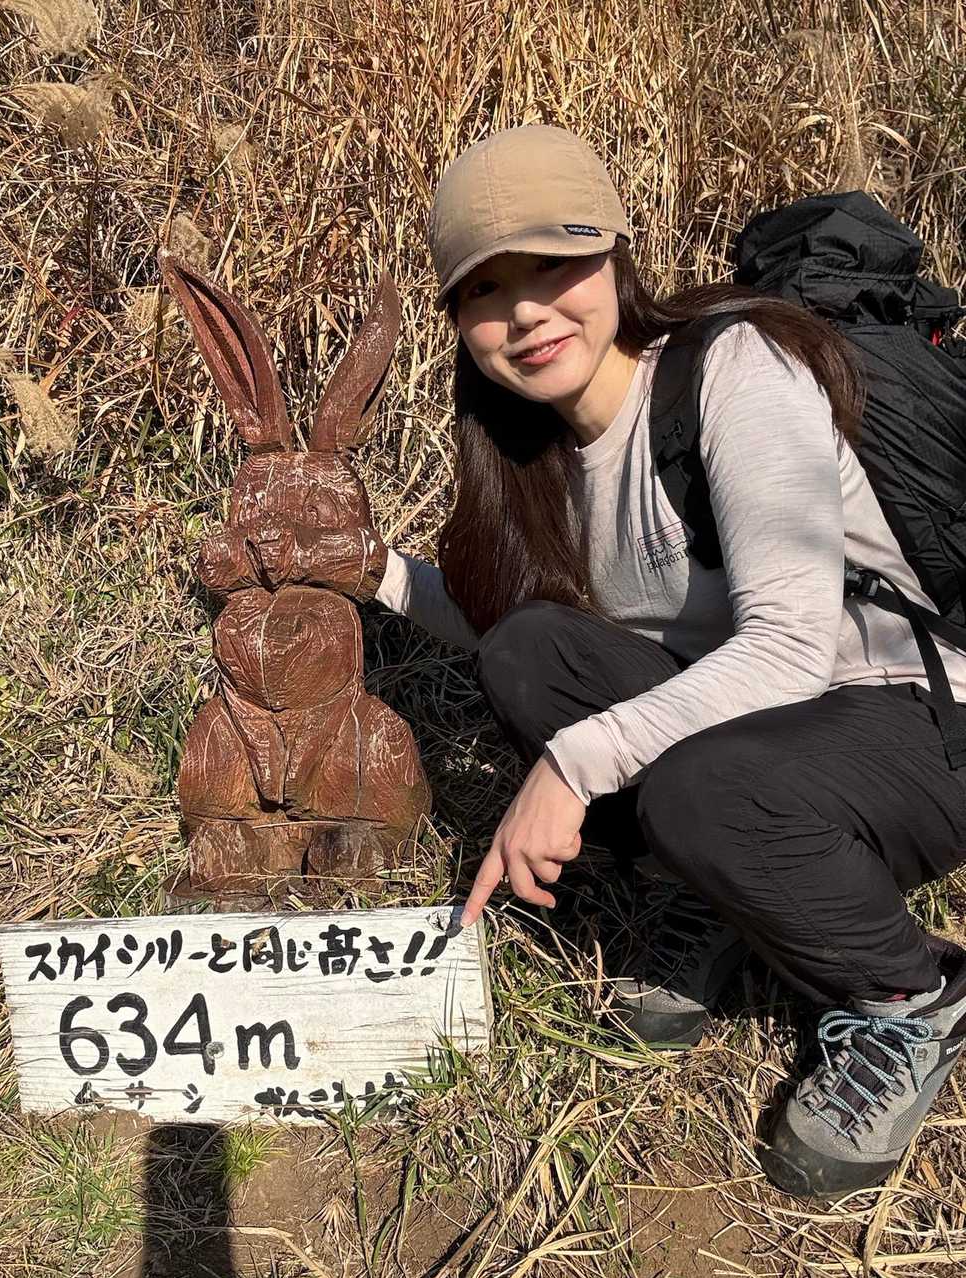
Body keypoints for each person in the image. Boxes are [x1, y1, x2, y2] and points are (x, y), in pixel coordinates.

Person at [369, 124, 966, 1199]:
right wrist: (361, 570)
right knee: (528, 652)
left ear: (615, 256)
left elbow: (792, 646)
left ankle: (909, 994)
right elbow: (496, 620)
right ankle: (736, 897)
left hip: (918, 720)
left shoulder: (736, 367)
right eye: (487, 289)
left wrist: (574, 764)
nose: (527, 313)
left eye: (553, 264)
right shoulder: (536, 454)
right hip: (779, 737)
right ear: (457, 321)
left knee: (701, 788)